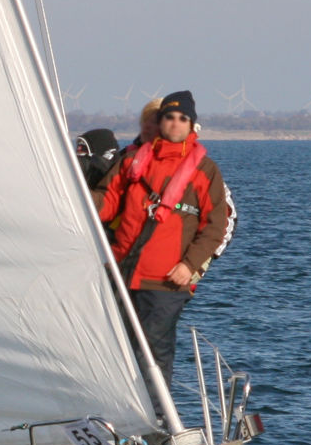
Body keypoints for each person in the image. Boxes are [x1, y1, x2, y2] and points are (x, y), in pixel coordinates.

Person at [99, 91, 236, 390]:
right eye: (169, 117)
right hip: (122, 273)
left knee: (152, 352)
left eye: (182, 119)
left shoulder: (205, 171)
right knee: (114, 347)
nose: (175, 124)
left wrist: (190, 265)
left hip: (166, 281)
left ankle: (156, 421)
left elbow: (217, 226)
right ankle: (115, 418)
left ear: (191, 126)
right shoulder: (132, 160)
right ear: (159, 122)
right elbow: (106, 202)